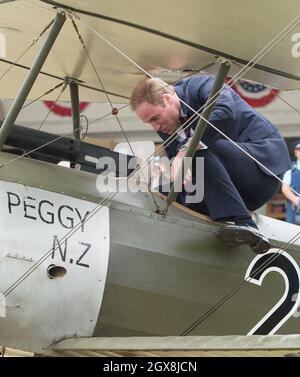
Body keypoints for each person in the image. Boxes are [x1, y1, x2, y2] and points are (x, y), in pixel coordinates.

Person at [130, 75, 291, 254]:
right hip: (223, 188)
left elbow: (224, 111)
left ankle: (246, 225)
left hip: (262, 172)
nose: (156, 127)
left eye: (155, 118)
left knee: (197, 152)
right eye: (149, 123)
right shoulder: (166, 124)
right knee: (158, 195)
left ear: (168, 99)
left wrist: (186, 150)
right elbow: (183, 168)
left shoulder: (201, 85)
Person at [281, 140, 300, 224]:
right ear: (295, 152)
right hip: (294, 208)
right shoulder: (290, 168)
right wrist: (295, 200)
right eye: (299, 149)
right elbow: (285, 188)